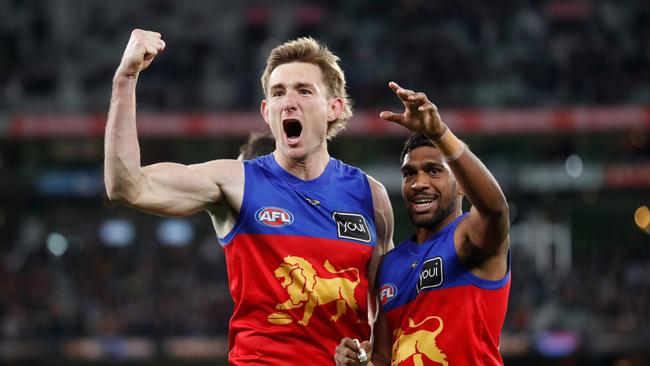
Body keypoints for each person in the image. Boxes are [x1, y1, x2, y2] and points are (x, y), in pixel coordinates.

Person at [104, 29, 394, 365]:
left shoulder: (370, 196)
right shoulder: (236, 182)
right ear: (266, 110)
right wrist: (126, 78)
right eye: (278, 93)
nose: (289, 101)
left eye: (304, 90)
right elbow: (127, 186)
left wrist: (372, 359)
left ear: (333, 108)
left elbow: (383, 310)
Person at [335, 82, 510, 365]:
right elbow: (382, 356)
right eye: (409, 174)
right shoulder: (389, 264)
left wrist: (439, 133)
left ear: (462, 186)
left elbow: (496, 210)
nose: (418, 183)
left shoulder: (470, 239)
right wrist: (360, 361)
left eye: (433, 171)